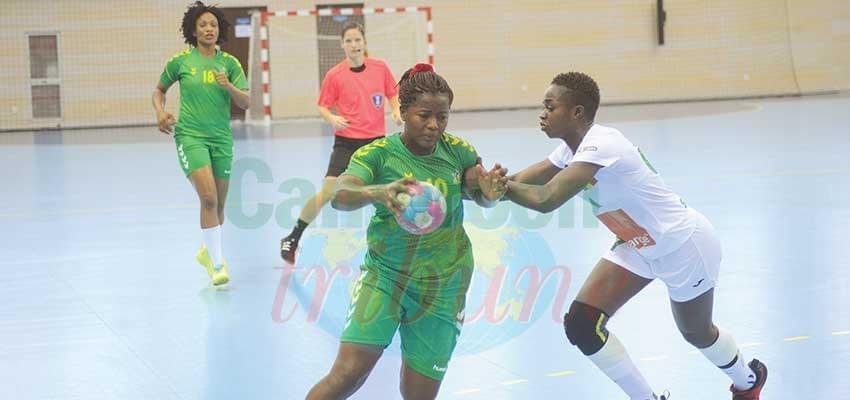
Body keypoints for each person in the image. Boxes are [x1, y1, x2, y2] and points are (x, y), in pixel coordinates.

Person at [498, 72, 767, 400]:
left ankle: (749, 379)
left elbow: (546, 199)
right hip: (638, 244)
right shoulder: (569, 151)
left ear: (577, 112)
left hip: (684, 246)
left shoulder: (602, 143)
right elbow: (519, 182)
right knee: (581, 324)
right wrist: (471, 182)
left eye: (550, 106)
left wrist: (502, 188)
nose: (542, 113)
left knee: (696, 332)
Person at [305, 64, 506, 400]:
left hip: (445, 283)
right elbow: (340, 196)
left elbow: (478, 193)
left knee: (419, 395)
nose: (433, 125)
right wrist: (380, 192)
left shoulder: (458, 150)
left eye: (442, 116)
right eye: (424, 115)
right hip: (387, 277)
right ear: (403, 111)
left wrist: (489, 192)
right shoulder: (378, 154)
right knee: (347, 375)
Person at [279, 21, 402, 264]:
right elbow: (322, 105)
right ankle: (293, 237)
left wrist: (396, 110)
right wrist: (331, 117)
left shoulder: (380, 68)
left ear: (364, 42)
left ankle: (402, 243)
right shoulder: (335, 75)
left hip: (376, 144)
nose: (354, 45)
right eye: (349, 41)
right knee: (328, 192)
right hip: (346, 143)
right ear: (342, 45)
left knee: (393, 192)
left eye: (357, 40)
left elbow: (392, 93)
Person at [152, 1, 250, 286]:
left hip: (221, 138)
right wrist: (160, 112)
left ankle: (209, 253)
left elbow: (245, 101)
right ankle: (218, 264)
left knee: (219, 204)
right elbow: (159, 90)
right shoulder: (181, 61)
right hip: (191, 136)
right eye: (203, 25)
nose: (209, 29)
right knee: (208, 198)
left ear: (219, 31)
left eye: (214, 25)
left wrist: (228, 86)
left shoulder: (229, 63)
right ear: (193, 31)